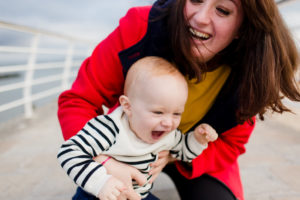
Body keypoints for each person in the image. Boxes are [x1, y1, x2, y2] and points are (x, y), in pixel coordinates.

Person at [57, 0, 300, 199]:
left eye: (223, 10)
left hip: (189, 152)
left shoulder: (251, 72)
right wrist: (103, 162)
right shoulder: (142, 26)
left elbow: (231, 145)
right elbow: (79, 100)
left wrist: (172, 154)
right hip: (128, 145)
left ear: (244, 28)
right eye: (195, 0)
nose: (201, 18)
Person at [57, 56, 218, 200]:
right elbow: (69, 152)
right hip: (100, 194)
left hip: (138, 195)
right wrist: (102, 183)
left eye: (176, 113)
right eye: (158, 112)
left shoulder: (167, 133)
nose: (169, 122)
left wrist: (198, 139)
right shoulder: (110, 128)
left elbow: (183, 151)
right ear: (128, 106)